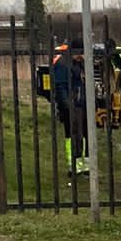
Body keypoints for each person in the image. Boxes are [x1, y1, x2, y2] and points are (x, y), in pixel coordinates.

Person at [49, 37, 90, 175]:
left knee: (84, 134)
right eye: (81, 53)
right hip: (71, 105)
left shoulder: (79, 63)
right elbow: (60, 86)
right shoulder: (63, 64)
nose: (83, 56)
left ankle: (84, 166)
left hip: (82, 103)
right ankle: (73, 165)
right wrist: (67, 104)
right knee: (73, 134)